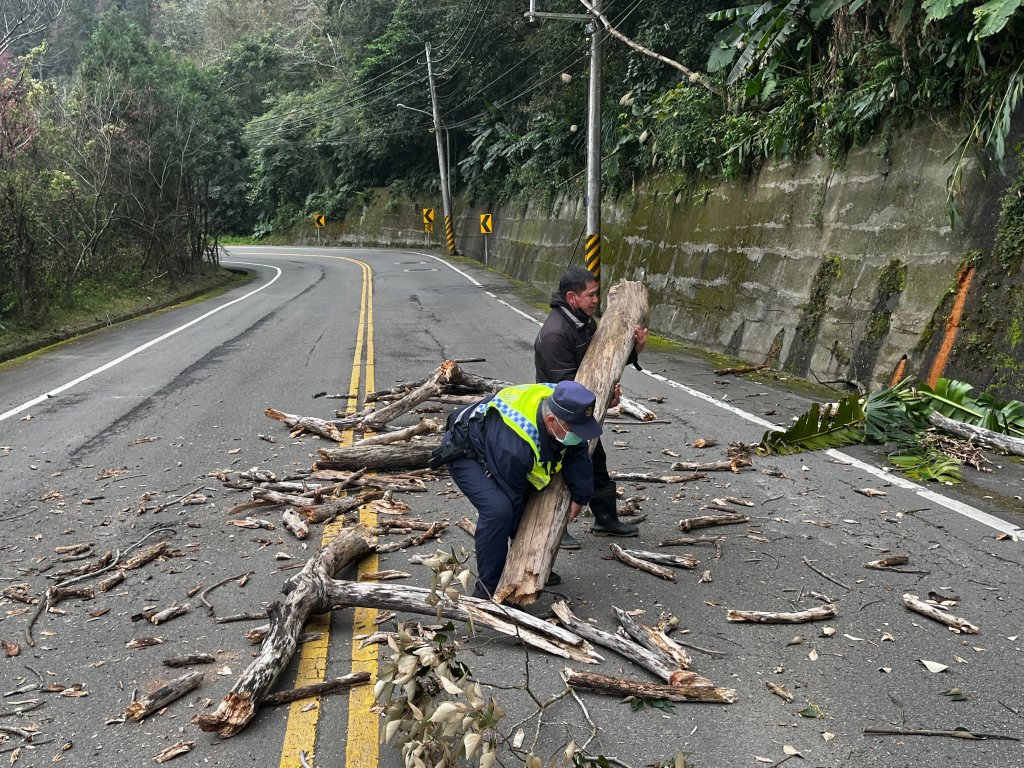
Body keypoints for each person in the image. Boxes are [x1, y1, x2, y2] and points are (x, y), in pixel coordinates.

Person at [431, 380, 601, 599]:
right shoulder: (515, 446)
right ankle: (488, 590)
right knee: (499, 510)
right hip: (466, 452)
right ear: (551, 421)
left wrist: (581, 495)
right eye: (576, 430)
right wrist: (525, 562)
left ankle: (527, 570)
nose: (581, 434)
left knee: (524, 504)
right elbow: (515, 501)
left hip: (498, 443)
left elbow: (577, 448)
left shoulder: (562, 402)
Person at [534, 266, 648, 547]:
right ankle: (555, 525)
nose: (596, 300)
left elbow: (600, 361)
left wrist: (634, 349)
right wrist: (602, 396)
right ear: (572, 297)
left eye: (597, 293)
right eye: (591, 295)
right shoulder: (556, 334)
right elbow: (567, 386)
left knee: (596, 461)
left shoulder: (582, 322)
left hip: (581, 406)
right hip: (558, 414)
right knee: (560, 469)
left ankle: (605, 519)